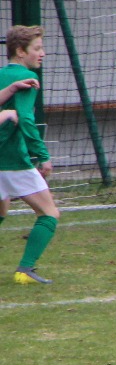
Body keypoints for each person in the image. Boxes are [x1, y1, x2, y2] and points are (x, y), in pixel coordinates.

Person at [0, 25, 58, 284]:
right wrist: (42, 155)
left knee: (1, 210)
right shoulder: (27, 78)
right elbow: (25, 118)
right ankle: (25, 269)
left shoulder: (2, 76)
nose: (42, 53)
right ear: (21, 51)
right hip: (13, 160)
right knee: (49, 213)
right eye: (37, 48)